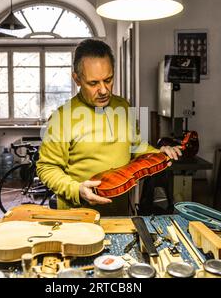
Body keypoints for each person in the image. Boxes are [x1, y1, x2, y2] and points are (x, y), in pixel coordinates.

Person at [36, 39, 182, 216]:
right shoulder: (62, 118)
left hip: (119, 212)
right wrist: (77, 190)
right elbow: (47, 168)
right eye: (93, 83)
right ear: (77, 79)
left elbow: (136, 147)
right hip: (76, 216)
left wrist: (158, 152)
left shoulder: (124, 107)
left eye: (108, 79)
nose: (104, 90)